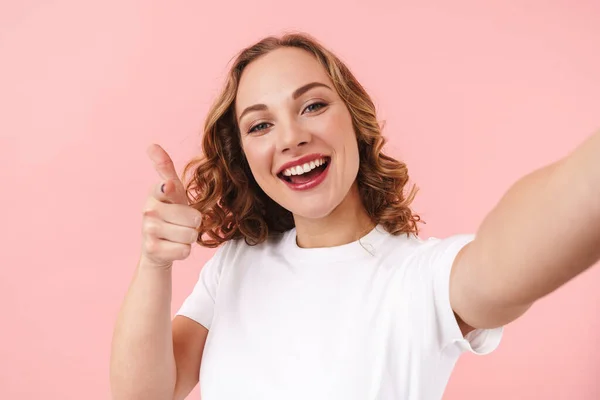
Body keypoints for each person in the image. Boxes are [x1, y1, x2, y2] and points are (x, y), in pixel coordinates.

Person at [109, 33, 600, 400]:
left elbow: (514, 254)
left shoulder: (421, 279)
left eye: (313, 105)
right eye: (260, 124)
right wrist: (154, 262)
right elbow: (145, 394)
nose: (290, 137)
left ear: (355, 120)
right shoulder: (233, 268)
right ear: (245, 158)